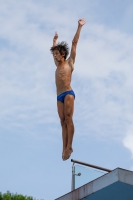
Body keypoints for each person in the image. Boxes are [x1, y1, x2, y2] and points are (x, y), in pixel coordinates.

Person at [50, 19, 86, 161]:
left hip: (68, 93)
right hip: (59, 96)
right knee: (62, 121)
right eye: (54, 54)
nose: (55, 55)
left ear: (63, 54)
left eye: (57, 53)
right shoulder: (56, 65)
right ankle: (64, 148)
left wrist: (79, 27)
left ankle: (69, 146)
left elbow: (74, 43)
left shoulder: (69, 62)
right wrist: (54, 41)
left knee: (69, 119)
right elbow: (53, 50)